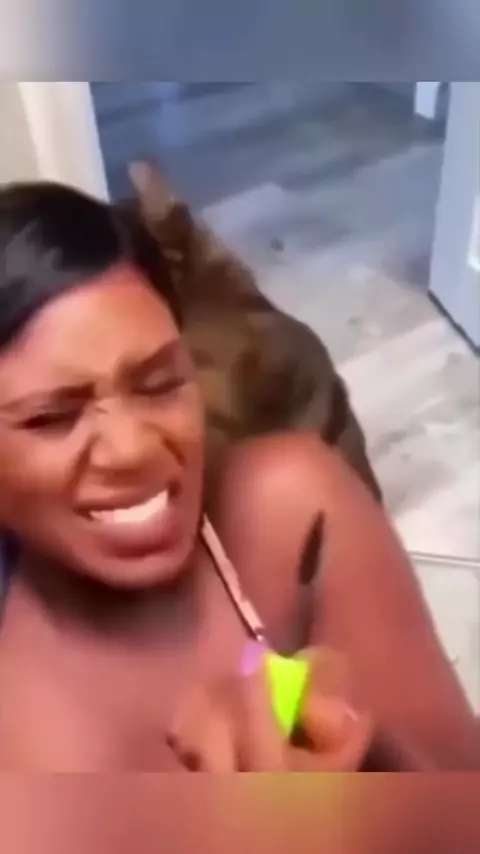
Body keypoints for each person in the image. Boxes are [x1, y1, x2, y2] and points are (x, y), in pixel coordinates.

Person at [0, 181, 477, 772]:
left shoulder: (290, 514)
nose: (133, 449)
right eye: (52, 418)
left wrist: (366, 752)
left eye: (160, 384)